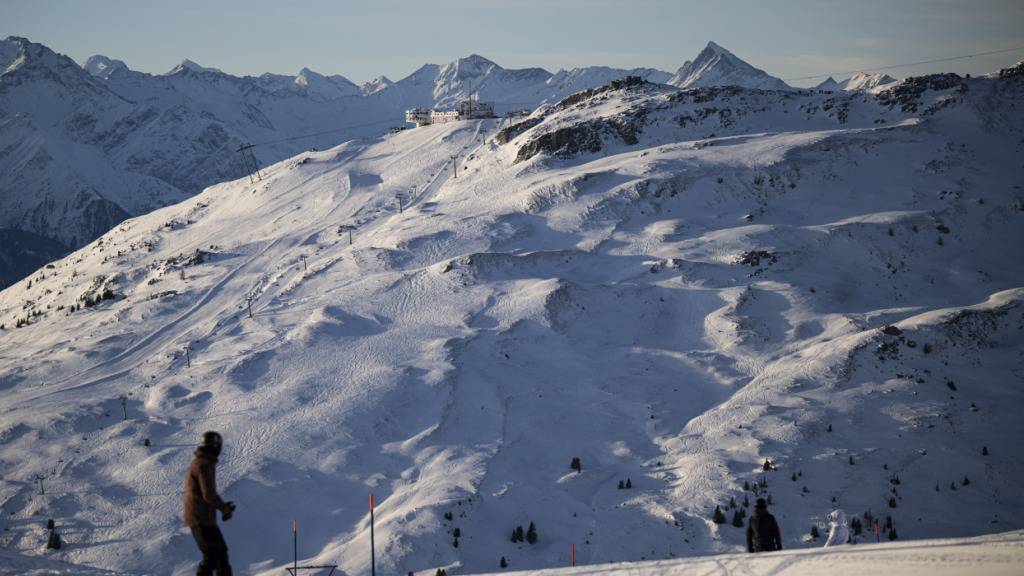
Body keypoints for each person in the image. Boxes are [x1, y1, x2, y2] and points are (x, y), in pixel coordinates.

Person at [184, 431, 236, 576]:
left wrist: (223, 507)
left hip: (204, 518)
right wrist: (224, 509)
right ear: (216, 446)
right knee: (212, 555)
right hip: (200, 519)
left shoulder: (203, 462)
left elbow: (206, 494)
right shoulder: (204, 464)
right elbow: (209, 494)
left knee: (220, 554)